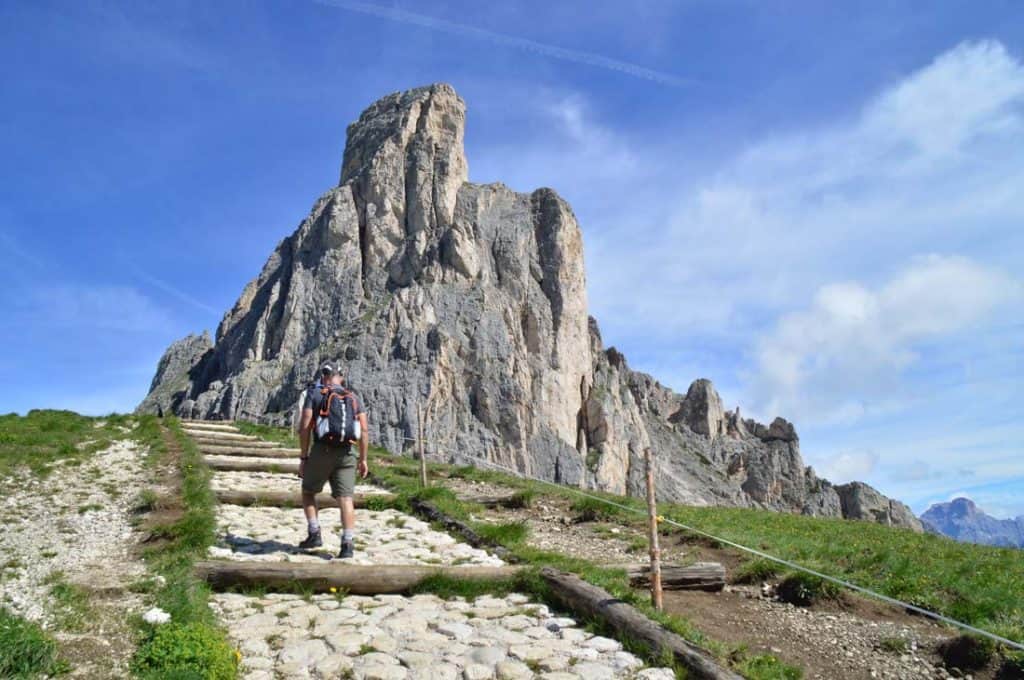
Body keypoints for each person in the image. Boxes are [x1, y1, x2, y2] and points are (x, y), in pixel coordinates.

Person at [296, 364, 369, 558]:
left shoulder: (315, 394)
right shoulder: (353, 397)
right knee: (346, 499)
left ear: (324, 376)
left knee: (308, 491)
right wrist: (363, 459)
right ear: (341, 378)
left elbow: (304, 426)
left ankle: (314, 533)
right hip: (347, 452)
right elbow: (364, 430)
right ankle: (347, 544)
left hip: (322, 450)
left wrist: (304, 457)